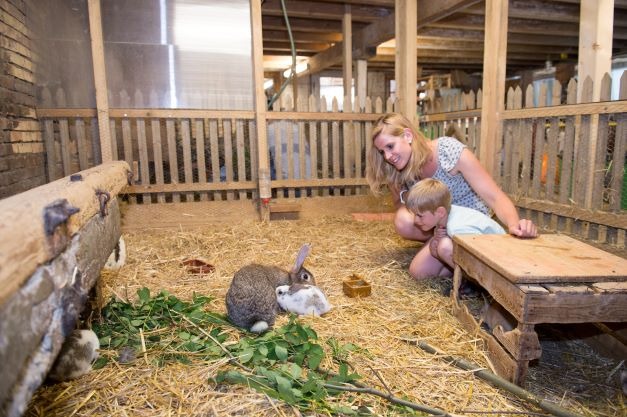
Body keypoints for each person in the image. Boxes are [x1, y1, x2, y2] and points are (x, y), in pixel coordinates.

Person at [367, 112, 537, 280]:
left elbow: (494, 197)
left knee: (443, 250)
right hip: (442, 226)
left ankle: (475, 272)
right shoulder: (398, 170)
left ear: (408, 136)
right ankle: (450, 256)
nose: (387, 156)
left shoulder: (448, 152)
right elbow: (401, 207)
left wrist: (514, 227)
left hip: (468, 226)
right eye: (382, 152)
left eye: (390, 146)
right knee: (418, 269)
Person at [405, 178, 505, 273]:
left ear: (440, 212)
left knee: (444, 247)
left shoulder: (457, 228)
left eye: (419, 215)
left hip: (500, 258)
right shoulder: (444, 216)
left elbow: (480, 252)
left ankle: (474, 283)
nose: (415, 220)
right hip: (491, 253)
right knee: (436, 246)